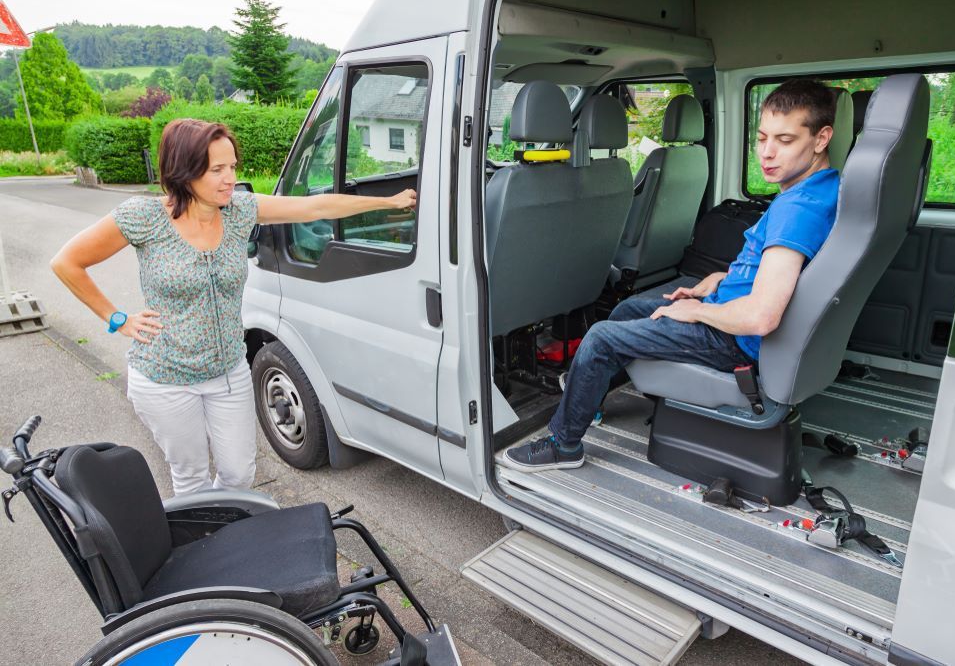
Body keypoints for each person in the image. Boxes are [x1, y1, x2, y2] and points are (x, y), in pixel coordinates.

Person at [51, 118, 416, 495]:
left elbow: (313, 207)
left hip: (228, 372)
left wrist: (388, 202)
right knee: (191, 479)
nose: (230, 179)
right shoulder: (144, 217)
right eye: (217, 170)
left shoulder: (239, 210)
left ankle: (224, 515)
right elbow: (67, 263)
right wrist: (116, 318)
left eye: (232, 167)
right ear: (184, 171)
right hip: (165, 379)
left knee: (239, 474)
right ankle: (210, 528)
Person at [504, 78, 840, 472]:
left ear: (821, 138)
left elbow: (761, 316)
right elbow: (778, 272)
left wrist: (697, 311)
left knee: (600, 338)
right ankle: (587, 397)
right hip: (731, 316)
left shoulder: (797, 209)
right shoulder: (822, 188)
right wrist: (719, 280)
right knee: (627, 310)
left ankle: (564, 445)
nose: (766, 152)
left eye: (784, 140)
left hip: (734, 341)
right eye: (762, 138)